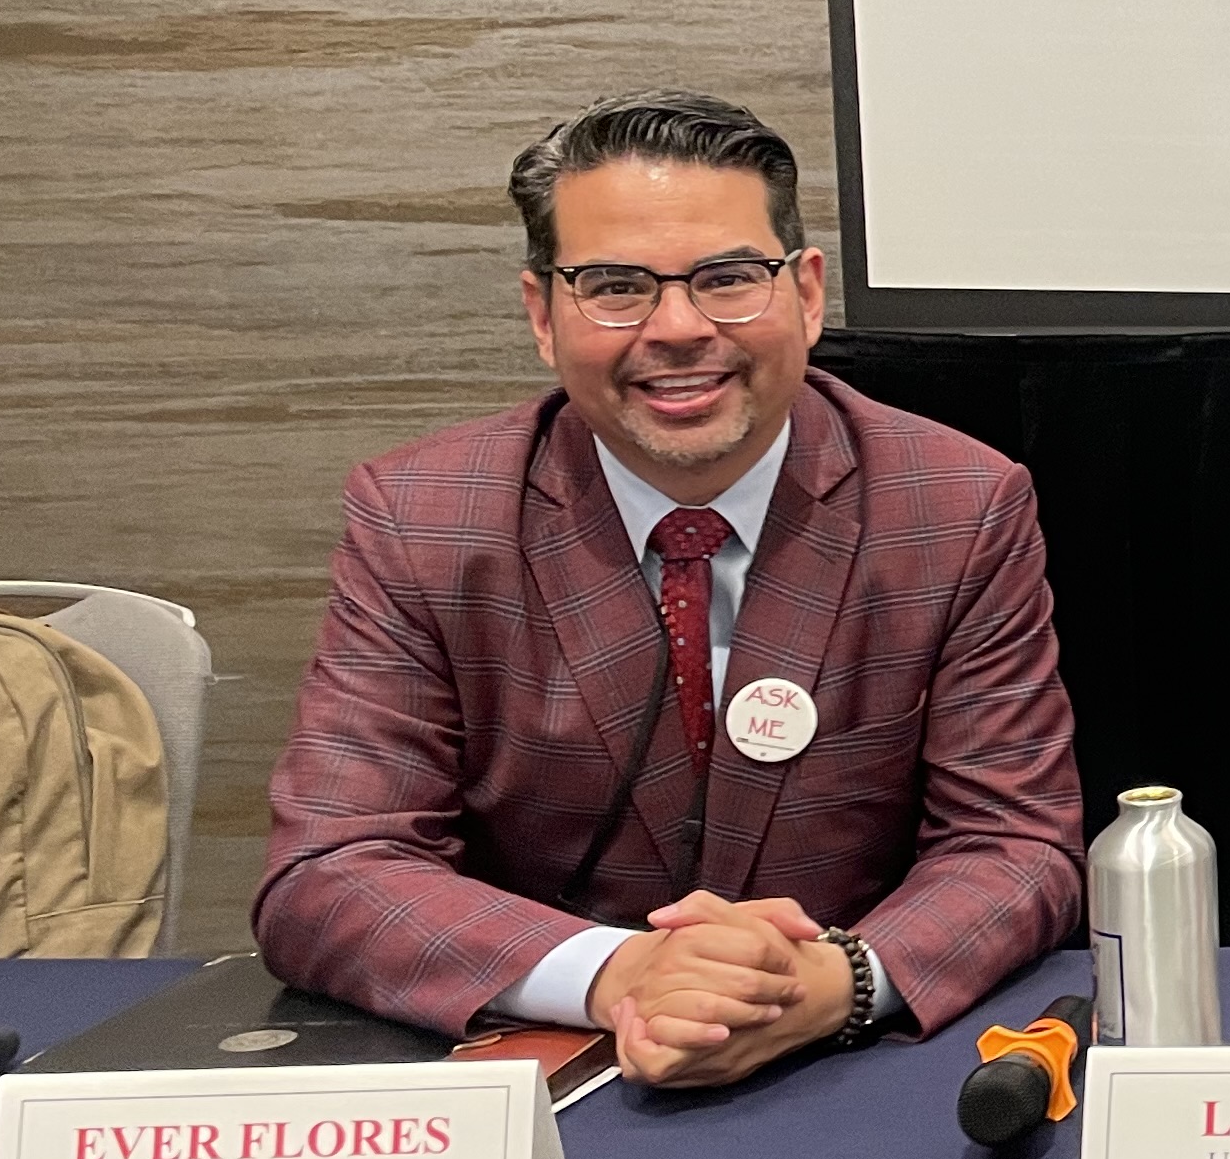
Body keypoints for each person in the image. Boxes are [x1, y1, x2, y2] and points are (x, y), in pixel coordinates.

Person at [259, 91, 1083, 1082]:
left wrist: (840, 982)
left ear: (809, 294)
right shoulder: (423, 518)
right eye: (615, 286)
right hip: (546, 1075)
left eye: (729, 278)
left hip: (846, 1074)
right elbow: (331, 872)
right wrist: (618, 973)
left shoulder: (957, 507)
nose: (681, 328)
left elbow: (1015, 850)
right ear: (541, 314)